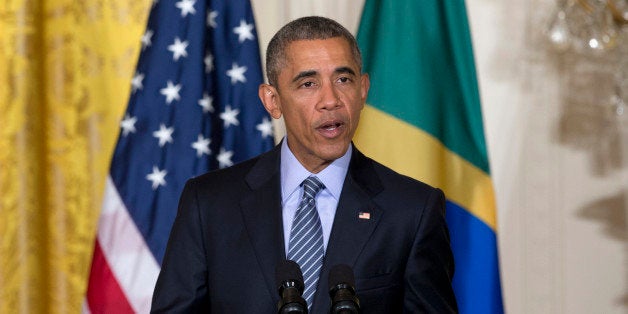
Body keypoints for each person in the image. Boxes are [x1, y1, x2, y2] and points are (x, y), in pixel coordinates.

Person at [151, 16, 457, 313]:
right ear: (272, 100)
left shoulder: (412, 211)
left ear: (363, 90)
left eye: (343, 79)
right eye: (308, 83)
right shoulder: (209, 204)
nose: (331, 99)